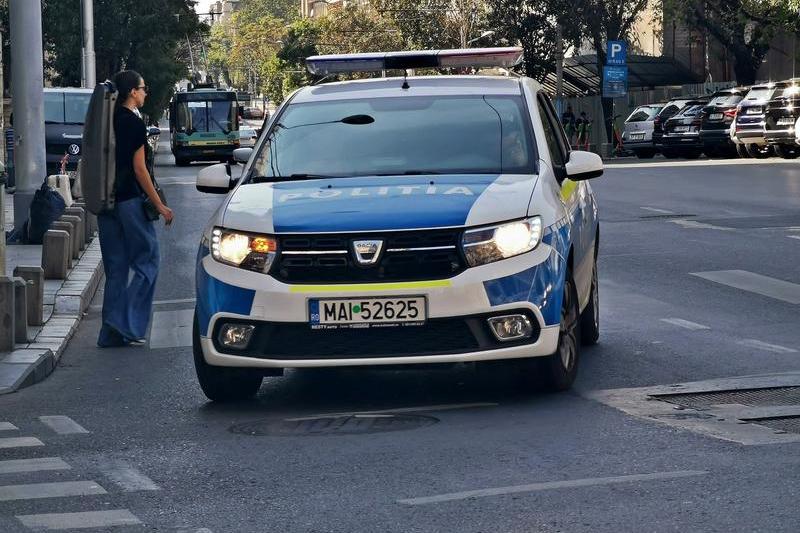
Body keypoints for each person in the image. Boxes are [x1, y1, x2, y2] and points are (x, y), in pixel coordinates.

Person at [96, 70, 174, 347]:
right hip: (129, 200)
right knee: (147, 261)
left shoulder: (106, 121)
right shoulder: (132, 123)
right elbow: (140, 169)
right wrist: (160, 205)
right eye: (143, 88)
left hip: (105, 202)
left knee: (116, 268)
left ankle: (109, 334)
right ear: (132, 92)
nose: (145, 93)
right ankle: (124, 322)